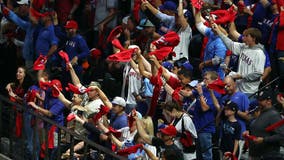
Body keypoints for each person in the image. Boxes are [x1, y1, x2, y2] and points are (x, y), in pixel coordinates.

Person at [212, 24, 266, 97]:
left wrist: (240, 76)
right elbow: (230, 44)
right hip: (238, 88)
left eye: (247, 36)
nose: (244, 38)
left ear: (254, 38)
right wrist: (218, 31)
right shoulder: (244, 46)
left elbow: (258, 74)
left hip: (249, 91)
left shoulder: (259, 53)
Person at [246, 88, 284, 159]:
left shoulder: (273, 115)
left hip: (267, 155)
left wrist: (264, 139)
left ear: (269, 101)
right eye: (258, 100)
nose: (258, 102)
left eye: (261, 100)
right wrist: (248, 133)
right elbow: (259, 130)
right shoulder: (262, 113)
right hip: (256, 154)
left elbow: (281, 135)